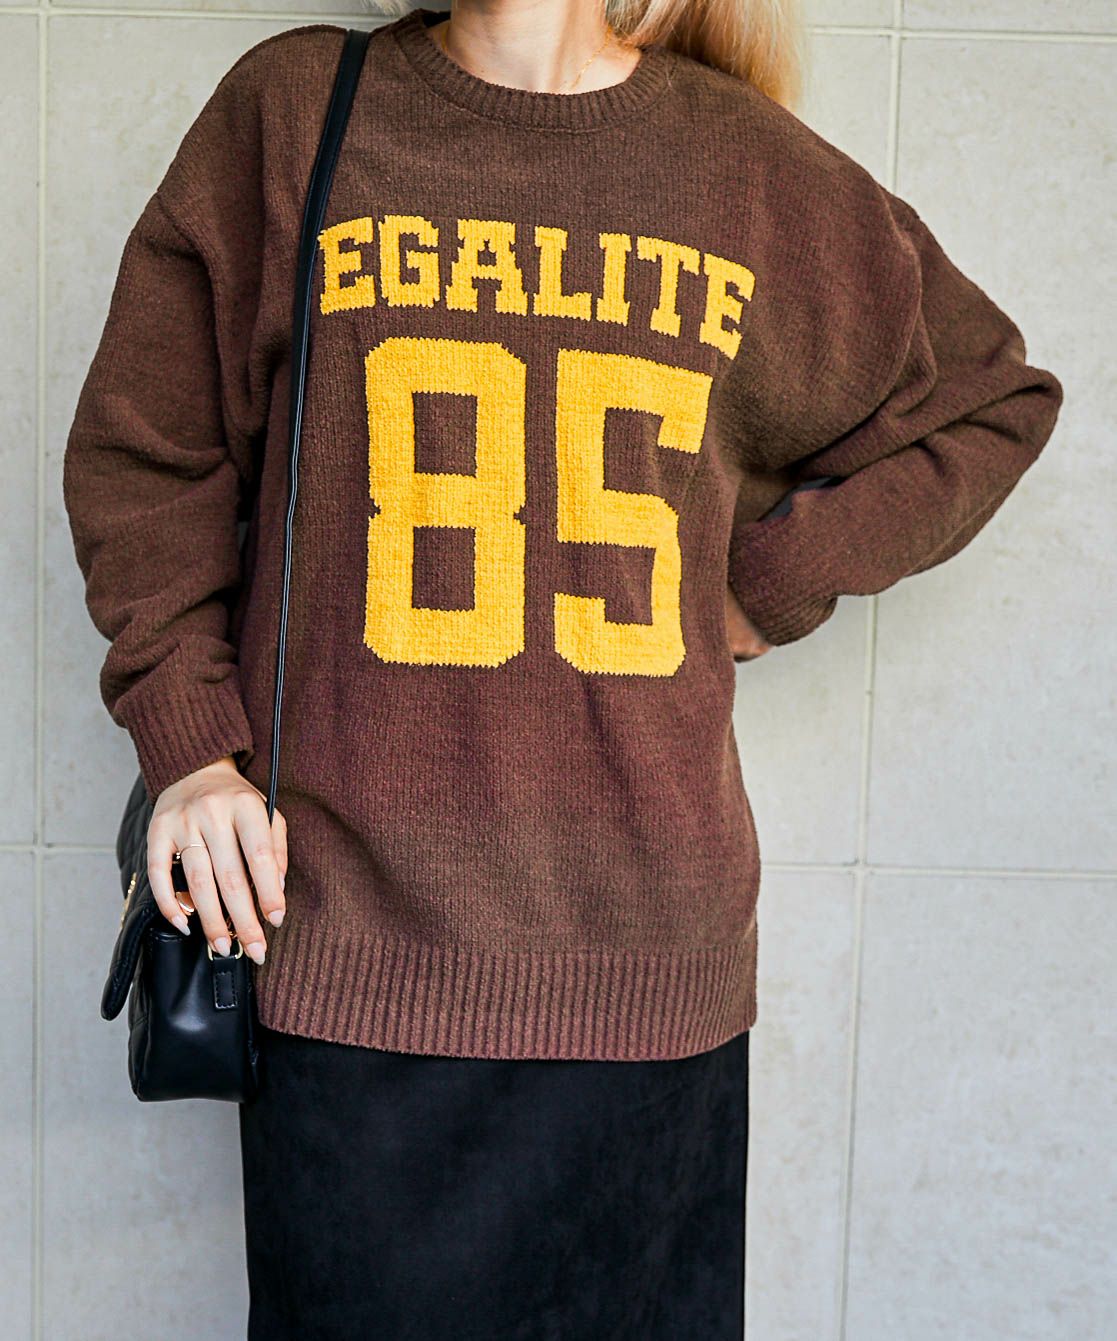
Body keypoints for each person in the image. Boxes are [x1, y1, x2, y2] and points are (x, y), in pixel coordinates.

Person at [61, 1, 1064, 1336]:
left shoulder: (738, 168)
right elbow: (152, 451)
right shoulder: (298, 114)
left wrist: (764, 581)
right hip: (352, 956)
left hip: (646, 981)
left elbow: (990, 399)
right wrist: (189, 744)